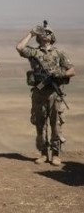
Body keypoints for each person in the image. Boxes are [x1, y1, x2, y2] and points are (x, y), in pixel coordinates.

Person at [16, 21, 75, 166]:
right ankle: (43, 153)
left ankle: (55, 154)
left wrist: (59, 74)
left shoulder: (58, 53)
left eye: (49, 32)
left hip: (54, 93)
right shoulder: (34, 52)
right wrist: (31, 33)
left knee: (56, 125)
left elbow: (72, 70)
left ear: (52, 36)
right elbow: (20, 47)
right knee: (40, 124)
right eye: (43, 32)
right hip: (39, 93)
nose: (46, 34)